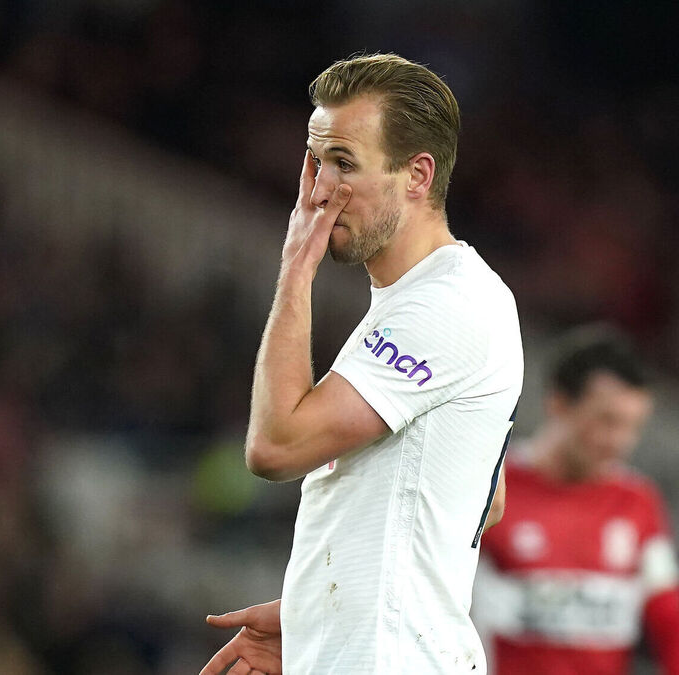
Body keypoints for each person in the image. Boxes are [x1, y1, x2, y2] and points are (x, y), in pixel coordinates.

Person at [201, 53, 523, 674]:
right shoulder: (430, 298)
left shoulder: (447, 305)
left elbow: (274, 446)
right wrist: (325, 612)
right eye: (315, 160)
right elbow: (485, 497)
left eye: (345, 164)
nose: (319, 190)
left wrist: (296, 270)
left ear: (417, 175)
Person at [472, 325, 679, 674]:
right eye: (607, 421)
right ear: (558, 403)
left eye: (633, 427)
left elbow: (672, 621)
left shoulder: (637, 501)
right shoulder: (493, 487)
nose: (620, 442)